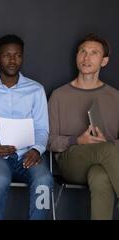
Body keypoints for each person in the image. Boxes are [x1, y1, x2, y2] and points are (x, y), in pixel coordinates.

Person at [0, 34, 53, 220]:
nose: (13, 60)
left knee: (44, 181)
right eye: (7, 55)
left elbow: (42, 128)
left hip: (28, 154)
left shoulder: (36, 90)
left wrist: (37, 149)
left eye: (17, 55)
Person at [48, 33, 119, 220]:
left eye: (94, 53)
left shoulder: (115, 97)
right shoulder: (59, 95)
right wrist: (77, 140)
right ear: (77, 56)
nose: (86, 57)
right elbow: (47, 140)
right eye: (83, 52)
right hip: (71, 162)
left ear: (104, 61)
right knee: (107, 150)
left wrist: (108, 142)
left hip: (107, 162)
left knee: (100, 177)